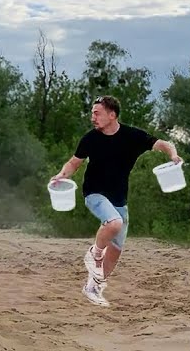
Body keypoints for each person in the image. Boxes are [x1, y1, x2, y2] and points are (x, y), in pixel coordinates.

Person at [51, 95, 181, 306]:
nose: (93, 117)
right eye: (92, 113)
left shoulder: (132, 136)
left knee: (117, 249)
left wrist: (173, 155)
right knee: (114, 223)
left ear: (112, 115)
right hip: (94, 193)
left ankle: (93, 287)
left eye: (97, 113)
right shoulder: (90, 139)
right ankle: (94, 253)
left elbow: (163, 144)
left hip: (119, 197)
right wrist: (61, 175)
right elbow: (74, 163)